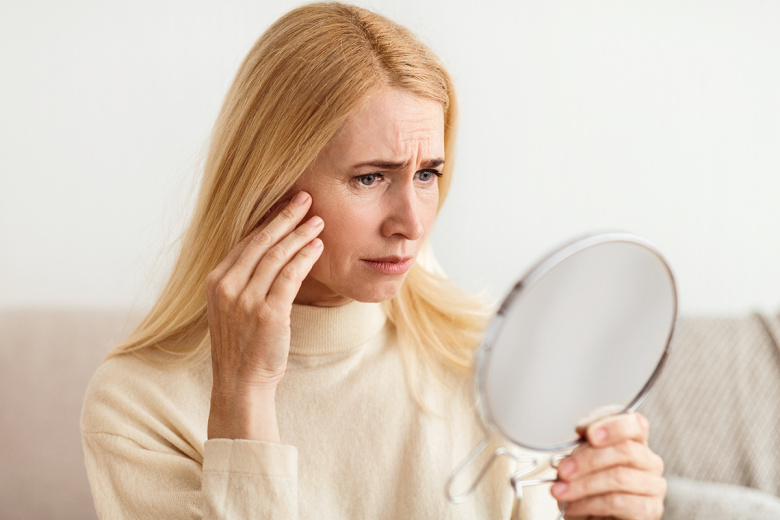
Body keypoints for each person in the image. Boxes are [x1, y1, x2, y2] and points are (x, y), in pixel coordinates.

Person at [81, 3, 666, 519]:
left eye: (427, 174)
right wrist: (244, 396)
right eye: (370, 177)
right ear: (269, 184)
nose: (411, 223)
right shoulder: (137, 406)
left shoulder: (491, 368)